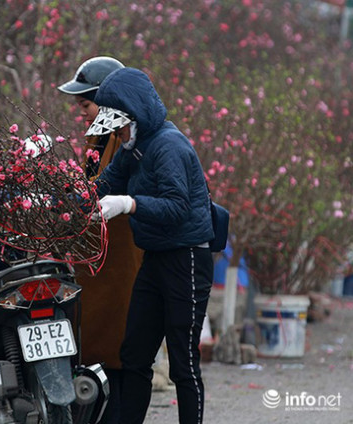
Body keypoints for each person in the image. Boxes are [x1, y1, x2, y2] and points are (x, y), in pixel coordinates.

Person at [86, 67, 214, 424]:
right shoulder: (133, 145)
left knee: (183, 363)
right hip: (156, 256)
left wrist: (129, 204)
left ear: (136, 115)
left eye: (121, 125)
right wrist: (66, 198)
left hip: (187, 257)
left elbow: (177, 206)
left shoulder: (168, 146)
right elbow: (106, 182)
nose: (118, 133)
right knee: (135, 353)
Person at [57, 57, 143, 424]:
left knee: (119, 349)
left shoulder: (126, 141)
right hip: (95, 260)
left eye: (86, 104)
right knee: (96, 345)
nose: (83, 113)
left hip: (118, 261)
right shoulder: (100, 137)